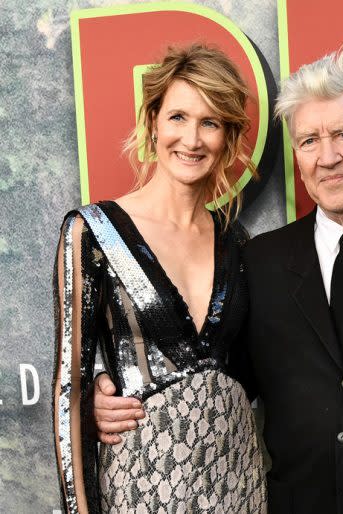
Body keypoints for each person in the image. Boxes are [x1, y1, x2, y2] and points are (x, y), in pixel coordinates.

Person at [92, 49, 343, 514]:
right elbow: (212, 371)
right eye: (308, 141)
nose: (328, 157)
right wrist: (112, 386)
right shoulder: (259, 260)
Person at [52, 44, 266, 513]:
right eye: (178, 117)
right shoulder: (92, 232)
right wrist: (92, 401)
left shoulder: (239, 244)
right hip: (141, 486)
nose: (191, 139)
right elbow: (68, 389)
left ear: (227, 137)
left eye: (209, 122)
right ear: (152, 121)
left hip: (236, 482)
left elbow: (255, 373)